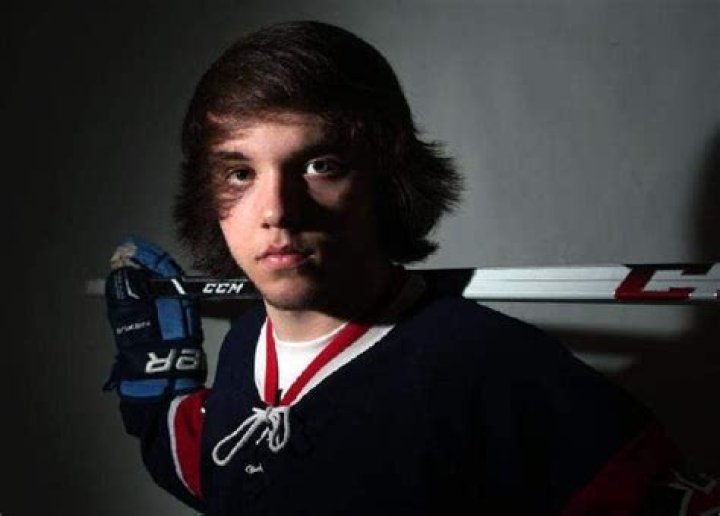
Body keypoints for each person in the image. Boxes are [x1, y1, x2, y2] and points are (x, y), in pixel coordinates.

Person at [103, 20, 720, 515]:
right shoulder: (244, 347)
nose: (277, 210)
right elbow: (227, 478)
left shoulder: (493, 365)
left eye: (319, 166)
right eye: (240, 173)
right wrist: (158, 376)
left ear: (388, 178)